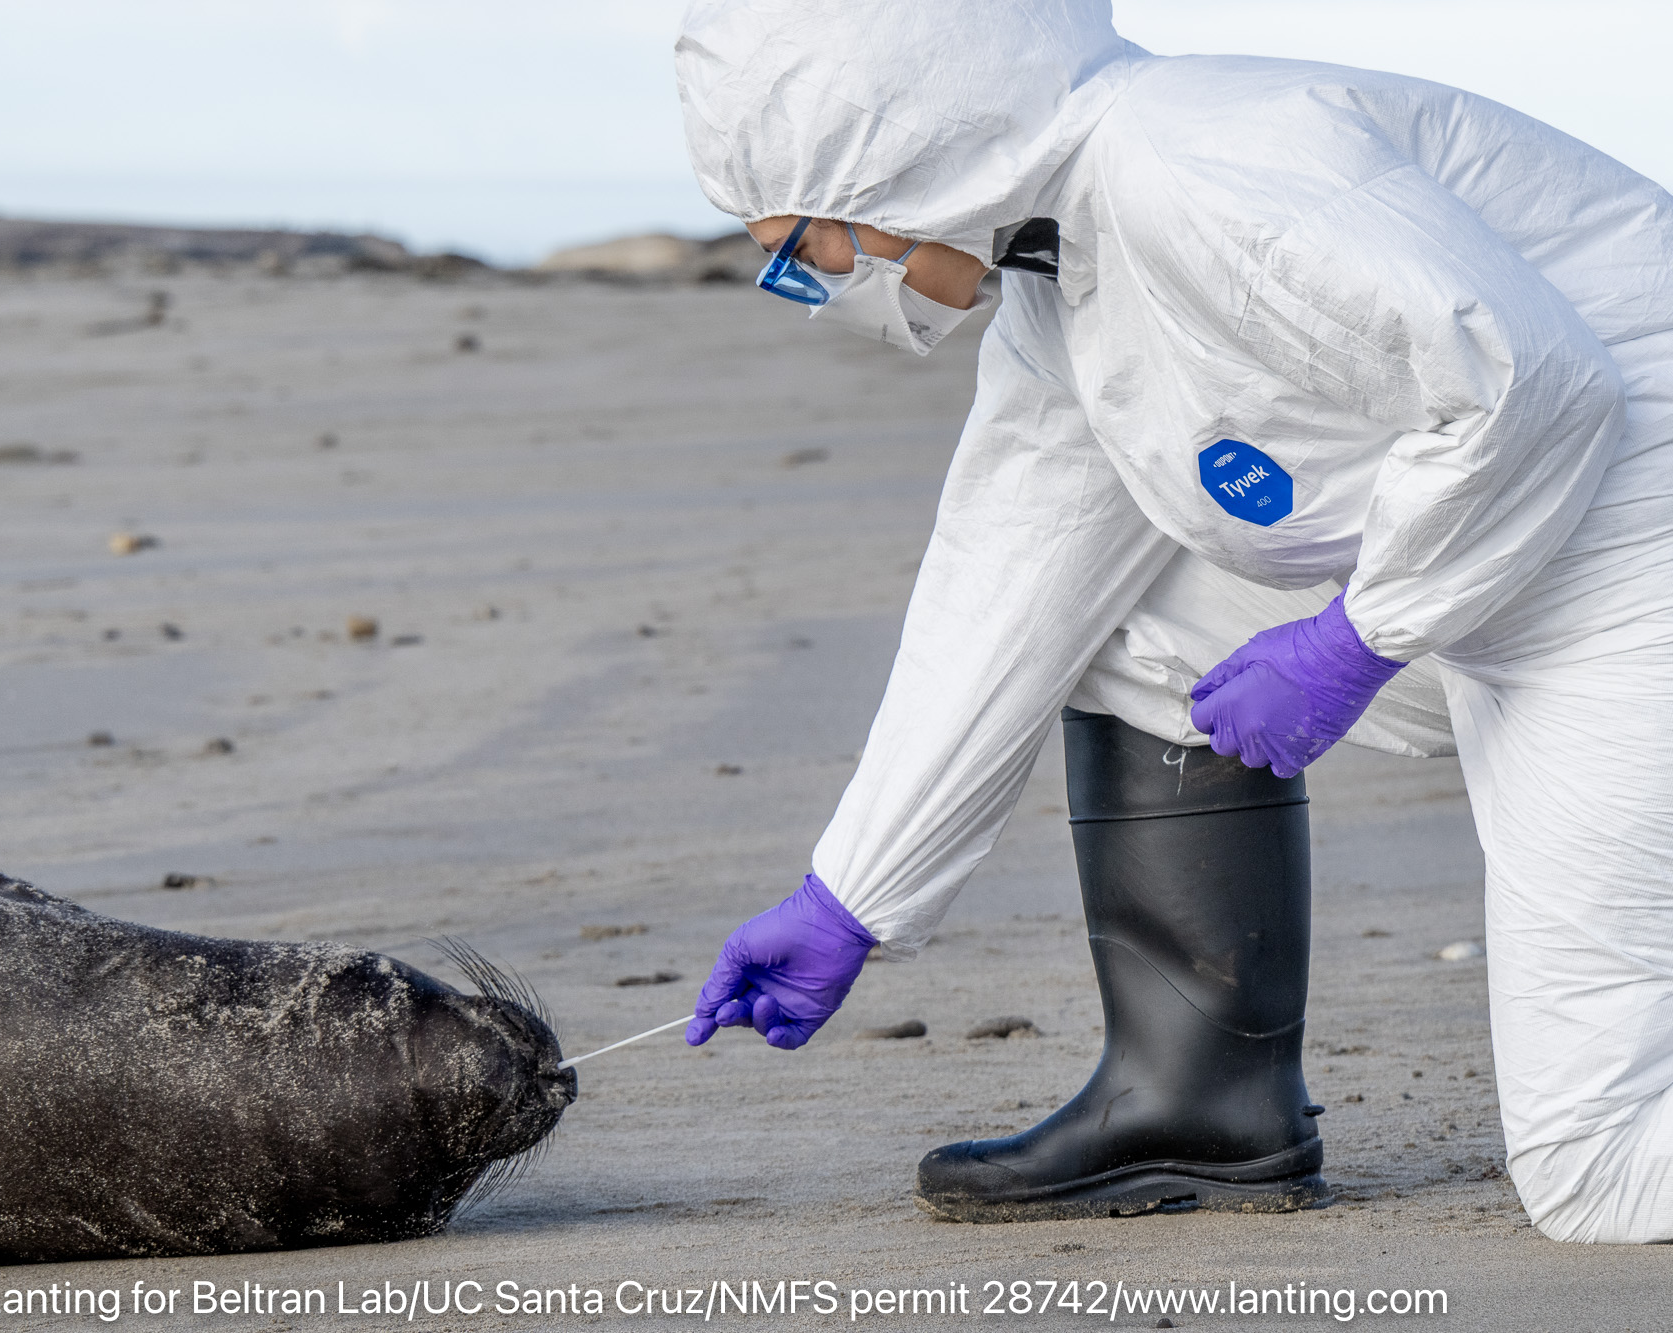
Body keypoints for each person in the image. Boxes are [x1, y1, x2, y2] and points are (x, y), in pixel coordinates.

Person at [674, 0, 1673, 1244]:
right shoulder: (1069, 277)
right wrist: (849, 897)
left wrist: (1353, 637)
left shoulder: (1201, 166)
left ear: (899, 158)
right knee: (1118, 627)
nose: (813, 281)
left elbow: (1533, 388)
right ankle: (1200, 1102)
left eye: (802, 242)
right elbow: (1006, 593)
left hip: (1634, 561)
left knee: (1598, 1164)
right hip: (1520, 568)